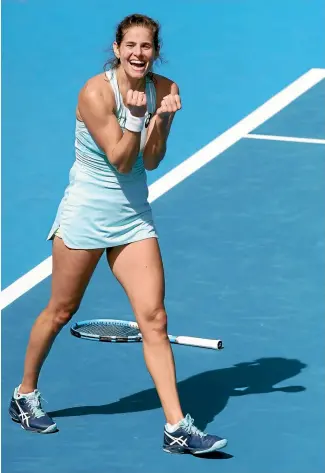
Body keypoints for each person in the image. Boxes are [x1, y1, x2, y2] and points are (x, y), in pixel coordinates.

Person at [9, 13, 227, 455]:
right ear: (117, 48)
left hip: (133, 219)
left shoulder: (166, 89)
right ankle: (24, 394)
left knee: (156, 319)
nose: (138, 54)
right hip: (86, 216)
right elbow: (121, 160)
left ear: (155, 51)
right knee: (60, 310)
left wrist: (161, 121)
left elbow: (152, 160)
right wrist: (134, 116)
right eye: (130, 45)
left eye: (146, 47)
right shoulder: (94, 92)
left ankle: (176, 427)